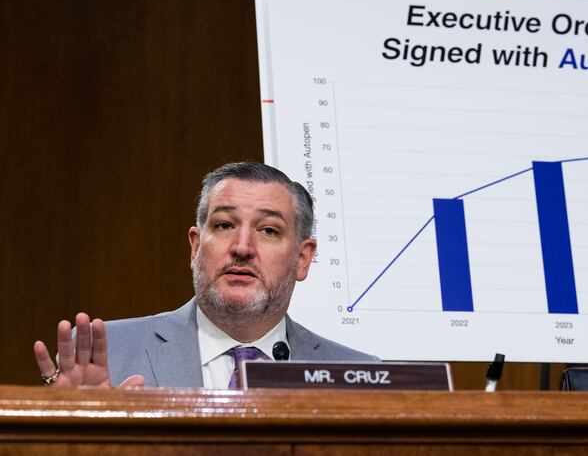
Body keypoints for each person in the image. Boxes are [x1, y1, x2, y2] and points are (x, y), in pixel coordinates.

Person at [33, 161, 376, 388]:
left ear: (302, 258)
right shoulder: (106, 355)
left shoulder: (360, 377)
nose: (242, 247)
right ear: (196, 247)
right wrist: (79, 434)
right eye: (224, 225)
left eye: (269, 230)